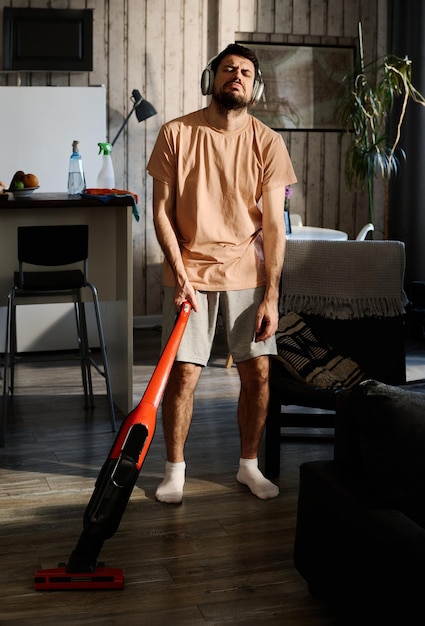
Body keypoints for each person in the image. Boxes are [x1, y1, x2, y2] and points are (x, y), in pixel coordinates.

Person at [147, 43, 297, 503]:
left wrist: (271, 297)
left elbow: (274, 226)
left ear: (256, 88)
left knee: (258, 375)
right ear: (211, 78)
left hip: (247, 275)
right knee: (184, 377)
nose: (237, 76)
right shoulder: (176, 133)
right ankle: (175, 469)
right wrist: (180, 273)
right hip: (190, 271)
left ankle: (248, 467)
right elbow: (160, 214)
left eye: (246, 73)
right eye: (229, 68)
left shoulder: (268, 142)